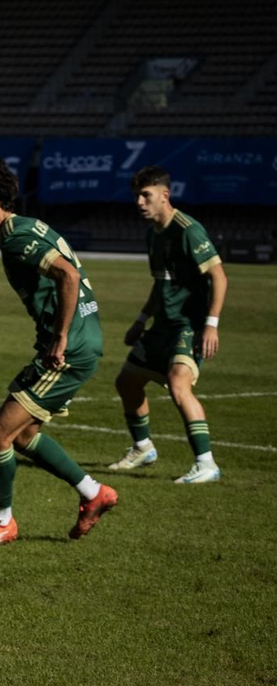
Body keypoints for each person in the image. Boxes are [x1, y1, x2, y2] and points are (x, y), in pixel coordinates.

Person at [0, 157, 118, 552]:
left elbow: (68, 275)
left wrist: (59, 338)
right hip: (80, 342)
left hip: (71, 348)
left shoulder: (15, 236)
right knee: (24, 433)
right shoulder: (23, 228)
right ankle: (93, 492)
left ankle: (0, 523)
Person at [108, 166, 228, 483]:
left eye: (146, 195)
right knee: (127, 382)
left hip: (188, 325)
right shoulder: (153, 234)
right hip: (161, 325)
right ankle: (143, 447)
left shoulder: (188, 230)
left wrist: (211, 325)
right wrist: (140, 320)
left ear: (165, 195)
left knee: (178, 384)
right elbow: (160, 284)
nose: (139, 202)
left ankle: (206, 464)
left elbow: (218, 276)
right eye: (136, 196)